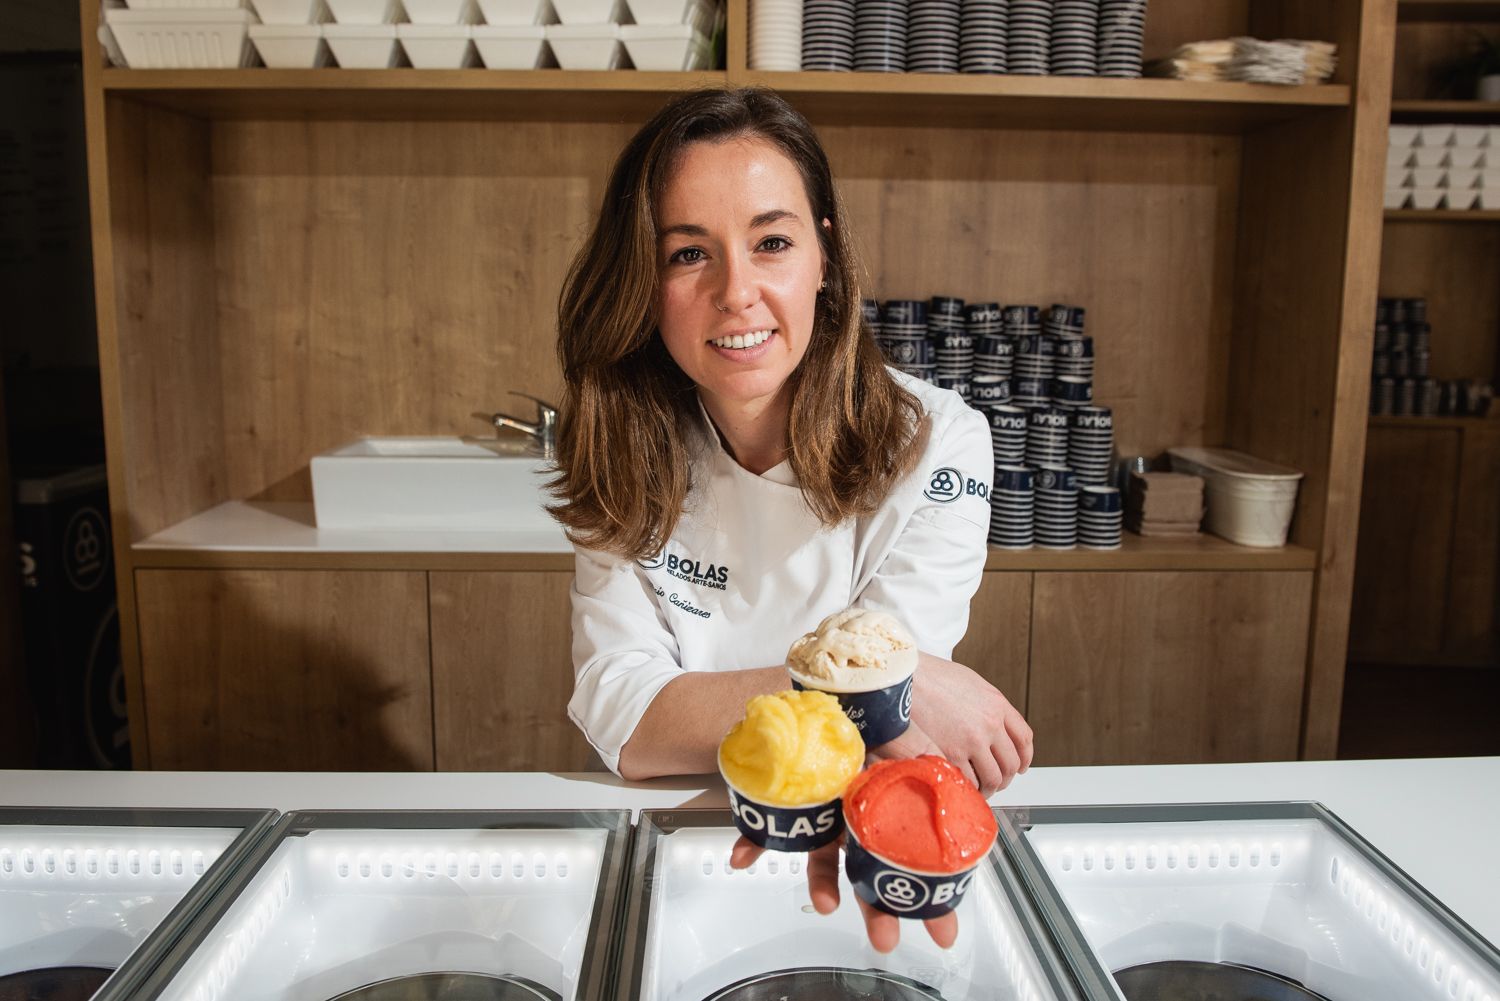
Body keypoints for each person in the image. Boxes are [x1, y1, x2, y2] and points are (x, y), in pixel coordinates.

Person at [549, 88, 1033, 950]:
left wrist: (890, 693)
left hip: (848, 832)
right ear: (644, 280)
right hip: (669, 849)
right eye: (689, 253)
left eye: (772, 242)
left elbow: (888, 724)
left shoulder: (939, 444)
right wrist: (891, 687)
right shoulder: (616, 443)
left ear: (824, 257)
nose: (738, 292)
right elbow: (625, 720)